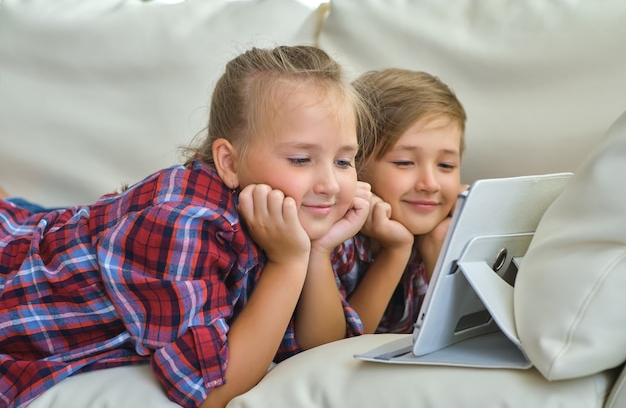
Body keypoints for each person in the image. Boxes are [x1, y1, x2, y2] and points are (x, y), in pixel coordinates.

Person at [0, 45, 372, 408]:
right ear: (228, 162)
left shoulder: (297, 215)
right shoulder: (184, 223)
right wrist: (288, 263)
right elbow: (209, 391)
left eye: (343, 161)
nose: (330, 184)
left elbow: (321, 349)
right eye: (301, 158)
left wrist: (315, 253)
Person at [332, 68, 468, 334]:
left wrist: (437, 250)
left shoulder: (450, 229)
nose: (429, 184)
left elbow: (465, 336)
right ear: (355, 164)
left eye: (446, 165)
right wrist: (396, 251)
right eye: (404, 162)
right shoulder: (336, 239)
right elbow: (340, 343)